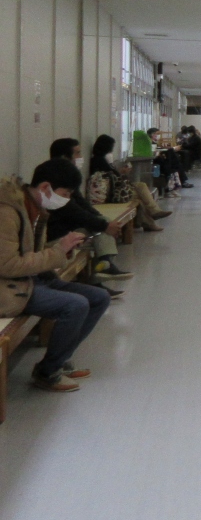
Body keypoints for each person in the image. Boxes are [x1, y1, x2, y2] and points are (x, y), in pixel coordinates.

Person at [0, 158, 112, 392]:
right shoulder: (7, 212)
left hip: (29, 280)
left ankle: (58, 361)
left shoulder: (34, 208)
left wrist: (62, 250)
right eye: (66, 193)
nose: (67, 199)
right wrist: (58, 251)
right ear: (45, 187)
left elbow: (32, 254)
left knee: (99, 298)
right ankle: (48, 372)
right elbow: (8, 265)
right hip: (9, 287)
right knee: (75, 305)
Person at [46, 138, 132, 285]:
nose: (81, 157)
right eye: (77, 153)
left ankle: (102, 269)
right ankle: (102, 271)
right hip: (55, 235)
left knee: (100, 224)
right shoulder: (55, 179)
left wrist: (100, 219)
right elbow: (74, 211)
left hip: (66, 227)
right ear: (64, 157)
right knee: (99, 228)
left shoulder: (65, 175)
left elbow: (82, 204)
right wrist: (104, 225)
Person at [86, 134, 170, 232]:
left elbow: (113, 177)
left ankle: (153, 216)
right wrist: (122, 172)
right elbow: (113, 178)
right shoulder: (99, 161)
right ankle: (152, 217)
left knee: (141, 186)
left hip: (114, 189)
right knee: (139, 197)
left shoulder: (101, 160)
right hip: (112, 194)